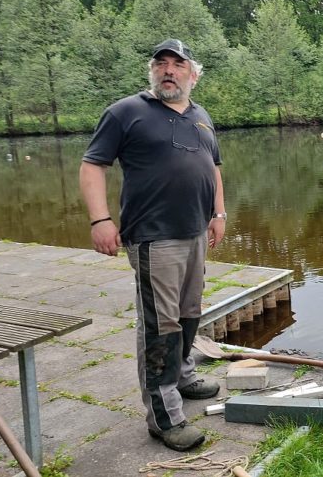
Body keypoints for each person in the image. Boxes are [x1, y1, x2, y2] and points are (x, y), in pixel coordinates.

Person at [79, 38, 227, 452]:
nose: (169, 71)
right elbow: (93, 165)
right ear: (152, 72)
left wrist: (219, 214)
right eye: (161, 64)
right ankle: (164, 418)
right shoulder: (126, 112)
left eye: (178, 65)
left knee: (190, 312)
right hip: (153, 236)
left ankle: (182, 375)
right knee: (159, 326)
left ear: (192, 75)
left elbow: (213, 168)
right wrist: (101, 219)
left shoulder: (201, 116)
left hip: (196, 231)